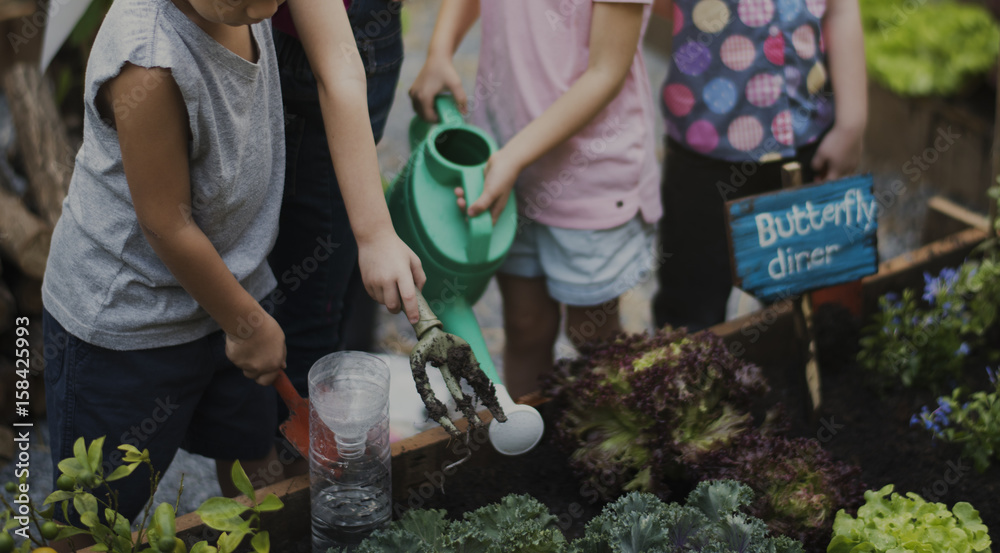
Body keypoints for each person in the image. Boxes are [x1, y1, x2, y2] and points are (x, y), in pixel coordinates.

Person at [41, 0, 423, 523]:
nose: (262, 7)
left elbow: (340, 67)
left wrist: (375, 232)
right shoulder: (147, 59)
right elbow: (167, 225)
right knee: (98, 507)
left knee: (255, 463)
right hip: (129, 320)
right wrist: (244, 325)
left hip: (236, 283)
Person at [409, 0, 662, 398]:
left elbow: (606, 72)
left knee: (592, 332)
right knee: (525, 325)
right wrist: (440, 51)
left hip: (589, 177)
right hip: (505, 165)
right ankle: (529, 452)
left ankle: (611, 444)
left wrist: (513, 158)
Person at [650, 0, 867, 331]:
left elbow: (841, 7)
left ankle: (803, 374)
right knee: (690, 308)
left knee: (813, 306)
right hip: (703, 152)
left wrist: (852, 121)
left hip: (806, 142)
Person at [265, 0, 406, 479]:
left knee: (312, 293)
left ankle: (314, 480)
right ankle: (312, 479)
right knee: (318, 273)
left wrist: (375, 232)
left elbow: (341, 75)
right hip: (343, 39)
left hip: (329, 46)